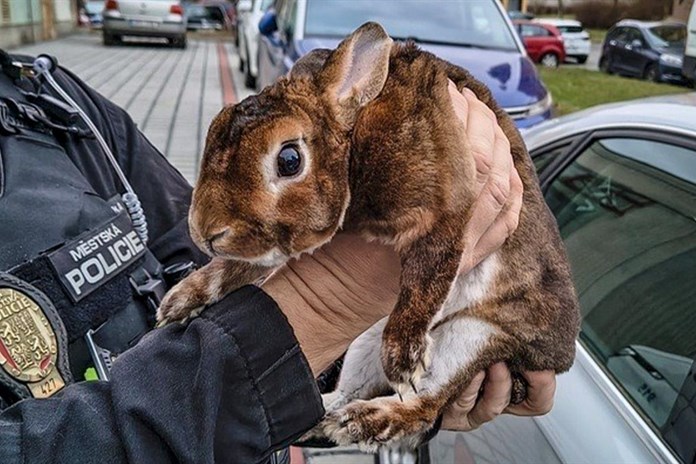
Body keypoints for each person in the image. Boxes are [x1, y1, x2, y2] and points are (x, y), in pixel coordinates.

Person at [0, 49, 555, 464]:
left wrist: (379, 378)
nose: (208, 226)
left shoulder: (53, 104)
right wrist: (334, 299)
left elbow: (194, 251)